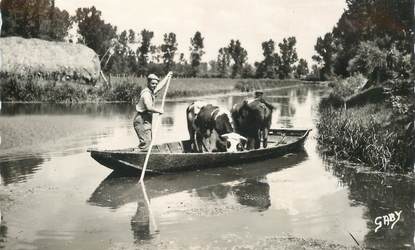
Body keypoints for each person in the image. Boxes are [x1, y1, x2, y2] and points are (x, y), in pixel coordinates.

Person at [133, 72, 172, 150]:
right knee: (146, 143)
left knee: (148, 142)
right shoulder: (146, 94)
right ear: (148, 83)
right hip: (141, 120)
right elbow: (149, 107)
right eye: (153, 83)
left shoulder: (151, 91)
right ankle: (137, 154)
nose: (154, 85)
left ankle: (140, 153)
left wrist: (167, 77)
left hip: (146, 120)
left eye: (155, 84)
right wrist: (159, 110)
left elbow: (159, 86)